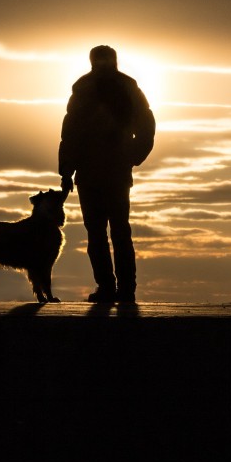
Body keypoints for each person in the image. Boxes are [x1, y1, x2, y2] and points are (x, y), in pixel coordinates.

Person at [58, 45, 155, 304]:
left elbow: (146, 125)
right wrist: (67, 170)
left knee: (119, 232)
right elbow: (70, 132)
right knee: (98, 234)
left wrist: (132, 156)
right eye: (98, 62)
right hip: (90, 174)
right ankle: (107, 287)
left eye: (105, 62)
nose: (102, 66)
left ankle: (124, 289)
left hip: (114, 173)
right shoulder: (83, 90)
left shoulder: (127, 89)